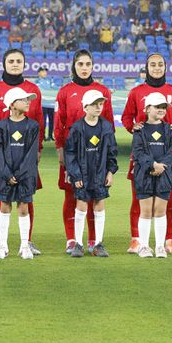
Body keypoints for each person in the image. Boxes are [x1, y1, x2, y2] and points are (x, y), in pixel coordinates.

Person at [121, 53, 172, 255]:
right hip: (142, 156)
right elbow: (126, 117)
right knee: (139, 199)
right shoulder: (136, 92)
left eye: (160, 64)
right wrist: (134, 127)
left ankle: (169, 240)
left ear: (165, 67)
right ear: (146, 67)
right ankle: (137, 240)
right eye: (153, 64)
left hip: (165, 155)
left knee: (167, 200)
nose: (157, 68)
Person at [0, 49, 44, 256]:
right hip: (1, 158)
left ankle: (27, 242)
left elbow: (40, 122)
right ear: (4, 64)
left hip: (26, 157)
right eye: (11, 61)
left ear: (24, 64)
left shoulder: (33, 89)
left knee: (26, 198)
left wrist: (38, 150)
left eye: (19, 61)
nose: (15, 64)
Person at [54, 49, 114, 253]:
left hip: (96, 154)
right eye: (80, 64)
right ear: (74, 66)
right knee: (71, 195)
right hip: (73, 153)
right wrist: (60, 148)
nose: (84, 68)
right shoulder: (64, 92)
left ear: (92, 66)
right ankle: (72, 239)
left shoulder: (103, 91)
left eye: (88, 64)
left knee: (95, 195)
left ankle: (93, 240)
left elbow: (109, 124)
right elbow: (59, 122)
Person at [63, 89, 118, 258]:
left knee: (99, 205)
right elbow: (70, 153)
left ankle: (98, 244)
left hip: (100, 174)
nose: (98, 107)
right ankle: (78, 244)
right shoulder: (77, 128)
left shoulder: (106, 127)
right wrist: (76, 175)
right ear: (85, 107)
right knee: (81, 206)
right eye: (94, 104)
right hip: (83, 175)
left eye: (100, 104)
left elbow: (112, 151)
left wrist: (111, 171)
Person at [0, 87, 41, 260]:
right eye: (23, 100)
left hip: (25, 175)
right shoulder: (1, 126)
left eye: (28, 100)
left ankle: (24, 245)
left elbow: (32, 154)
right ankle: (3, 246)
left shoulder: (33, 125)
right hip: (5, 176)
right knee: (4, 206)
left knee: (23, 208)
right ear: (12, 104)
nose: (27, 102)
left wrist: (19, 175)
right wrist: (6, 174)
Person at [131, 92, 172, 258]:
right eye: (157, 106)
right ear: (147, 108)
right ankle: (144, 247)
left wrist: (161, 166)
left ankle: (159, 246)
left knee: (160, 211)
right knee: (145, 211)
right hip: (144, 174)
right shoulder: (139, 130)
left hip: (164, 174)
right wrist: (152, 164)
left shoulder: (170, 129)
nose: (161, 110)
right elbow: (138, 152)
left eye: (163, 107)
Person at [34, 67, 55, 142]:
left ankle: (50, 136)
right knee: (42, 121)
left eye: (46, 72)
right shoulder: (37, 81)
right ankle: (42, 136)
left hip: (51, 104)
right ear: (39, 73)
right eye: (43, 72)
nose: (45, 73)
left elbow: (54, 88)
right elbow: (40, 90)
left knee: (52, 120)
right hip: (42, 104)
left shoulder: (49, 81)